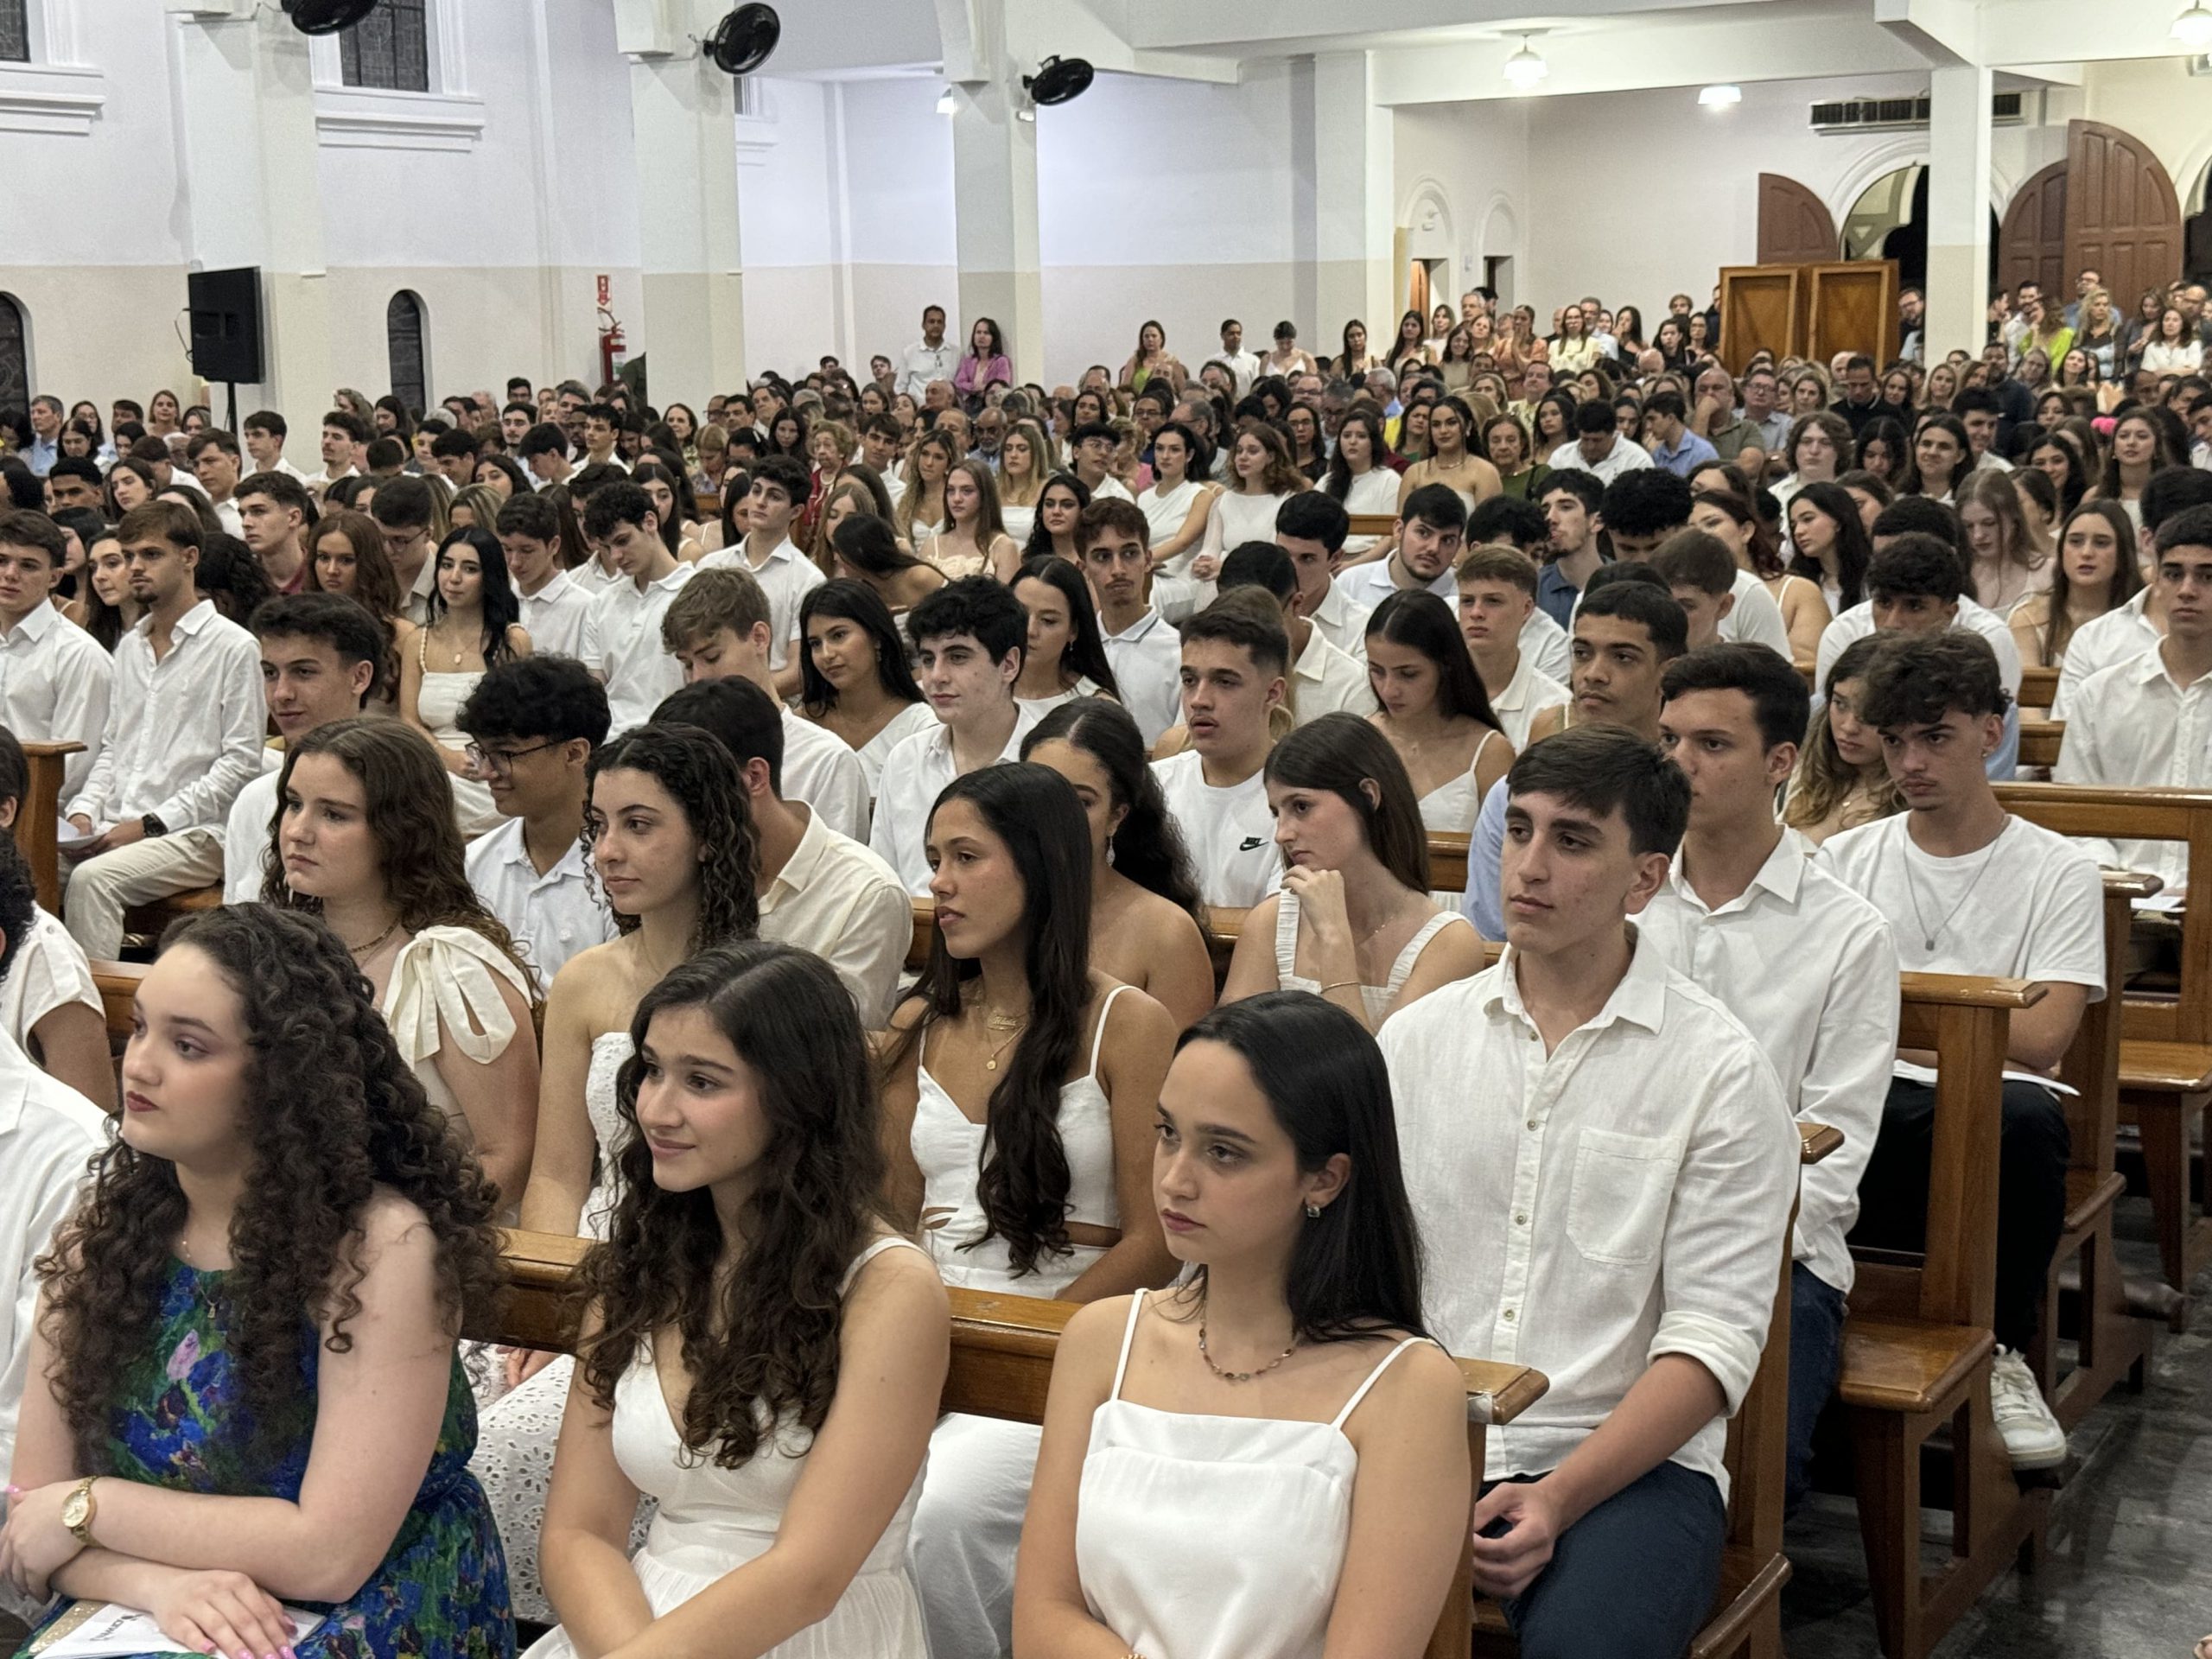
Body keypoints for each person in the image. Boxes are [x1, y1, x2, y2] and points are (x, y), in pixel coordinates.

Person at [1382, 725, 1797, 1656]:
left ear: (1643, 880)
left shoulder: (1718, 1071)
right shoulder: (1415, 1043)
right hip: (1409, 1436)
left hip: (1619, 1467)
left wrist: (1557, 1496)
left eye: (1570, 841)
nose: (1526, 866)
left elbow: (1712, 1342)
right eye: (1518, 830)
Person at [0, 905, 511, 1658]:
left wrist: (90, 1507)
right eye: (139, 1028)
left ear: (282, 1078)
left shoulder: (379, 1246)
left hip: (375, 1608)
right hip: (148, 1602)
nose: (138, 1065)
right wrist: (156, 1584)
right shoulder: (102, 1228)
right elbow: (27, 1523)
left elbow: (333, 1554)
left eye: (187, 1045)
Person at [1013, 990, 1470, 1657]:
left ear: (1325, 1179)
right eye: (1168, 1133)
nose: (1173, 1180)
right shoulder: (1102, 1340)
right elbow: (1041, 1619)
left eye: (1223, 1152)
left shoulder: (1407, 1387)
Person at [524, 942, 946, 1659]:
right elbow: (579, 1532)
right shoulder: (636, 1268)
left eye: (703, 1082)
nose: (656, 1108)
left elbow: (810, 1573)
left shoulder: (889, 1289)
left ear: (796, 1097)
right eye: (652, 1070)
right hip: (635, 1625)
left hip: (809, 1632)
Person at [880, 762, 1178, 1659]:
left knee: (944, 1513)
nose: (939, 881)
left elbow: (1158, 1238)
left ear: (1040, 865)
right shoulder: (915, 1026)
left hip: (1066, 1337)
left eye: (966, 856)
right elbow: (890, 1220)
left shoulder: (1129, 1024)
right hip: (924, 1326)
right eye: (934, 857)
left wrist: (1029, 1336)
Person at [1818, 630, 2101, 1470]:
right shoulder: (1844, 858)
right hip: (1867, 1093)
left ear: (1991, 729)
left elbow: (2046, 1037)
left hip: (1988, 1107)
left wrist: (1888, 1015)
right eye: (1896, 740)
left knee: (2017, 1117)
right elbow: (1810, 1012)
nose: (1910, 761)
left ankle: (2001, 1351)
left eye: (1934, 737)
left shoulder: (2058, 869)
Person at [1640, 645, 1899, 1512]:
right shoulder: (1623, 896)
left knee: (1740, 1482)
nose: (1680, 764)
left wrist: (1710, 1245)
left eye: (1712, 745)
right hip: (1618, 1222)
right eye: (1669, 739)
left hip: (1773, 1255)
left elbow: (1835, 1151)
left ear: (1781, 761)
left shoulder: (1847, 931)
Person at [264, 717, 537, 1204]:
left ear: (399, 830)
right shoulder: (274, 952)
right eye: (294, 804)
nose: (298, 832)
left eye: (335, 815)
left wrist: (390, 1238)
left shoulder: (453, 967)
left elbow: (508, 1161)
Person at [62, 501, 265, 959]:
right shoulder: (130, 647)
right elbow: (115, 747)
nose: (135, 567)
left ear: (189, 558)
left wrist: (150, 824)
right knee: (23, 866)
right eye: (129, 555)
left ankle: (95, 1022)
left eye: (150, 555)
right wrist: (82, 811)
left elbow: (239, 764)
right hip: (117, 821)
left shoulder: (234, 646)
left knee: (93, 881)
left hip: (196, 831)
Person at [655, 677, 909, 1028]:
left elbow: (836, 1047)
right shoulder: (677, 867)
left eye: (691, 794)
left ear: (755, 777)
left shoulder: (865, 893)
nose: (677, 814)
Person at [1219, 712, 1479, 1029]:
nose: (1282, 833)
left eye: (1301, 806)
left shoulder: (1449, 944)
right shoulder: (1271, 922)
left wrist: (1334, 939)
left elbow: (1376, 1074)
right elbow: (1229, 1052)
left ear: (1368, 796)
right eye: (1278, 813)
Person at [1461, 582, 1688, 940]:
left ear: (1668, 672)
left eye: (1622, 657)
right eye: (1582, 653)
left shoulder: (1690, 793)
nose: (1594, 674)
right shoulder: (1512, 796)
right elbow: (1492, 938)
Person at [1021, 699, 1216, 1033]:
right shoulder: (992, 905)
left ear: (1117, 815)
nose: (1054, 819)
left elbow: (1177, 1079)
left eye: (1081, 802)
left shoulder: (1167, 934)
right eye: (1038, 796)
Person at [2054, 505, 2212, 891]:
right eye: (2173, 574)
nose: (2187, 590)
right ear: (2155, 580)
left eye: (2207, 576)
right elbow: (2077, 816)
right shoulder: (2102, 693)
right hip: (2125, 898)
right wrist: (2118, 883)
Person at [662, 567, 868, 841]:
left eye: (711, 657)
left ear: (759, 637)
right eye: (687, 665)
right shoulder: (679, 750)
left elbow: (839, 872)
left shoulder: (826, 761)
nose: (697, 678)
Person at [219, 592, 388, 906]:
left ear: (359, 677)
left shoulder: (399, 791)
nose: (281, 693)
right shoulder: (253, 801)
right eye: (270, 673)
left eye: (304, 672)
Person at [457, 655, 616, 985]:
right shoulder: (475, 863)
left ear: (575, 753)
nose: (487, 771)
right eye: (482, 753)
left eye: (505, 754)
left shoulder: (620, 871)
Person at [870, 576, 1035, 894]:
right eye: (928, 659)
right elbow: (883, 882)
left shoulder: (1045, 759)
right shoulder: (905, 760)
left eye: (957, 657)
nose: (936, 677)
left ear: (1009, 665)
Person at [1815, 532, 2024, 779]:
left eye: (1914, 606)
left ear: (1949, 614)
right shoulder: (1828, 702)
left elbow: (1987, 789)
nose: (1893, 622)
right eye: (1883, 603)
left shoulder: (1984, 705)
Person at [1153, 590, 1291, 908]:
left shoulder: (1301, 802)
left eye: (1224, 682)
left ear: (1272, 693)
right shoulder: (1151, 787)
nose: (1199, 699)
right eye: (1189, 680)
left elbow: (1283, 928)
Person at [402, 525, 531, 836]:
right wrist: (447, 759)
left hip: (491, 769)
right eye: (447, 565)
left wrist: (482, 760)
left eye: (469, 568)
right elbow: (408, 720)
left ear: (489, 577)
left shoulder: (512, 640)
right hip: (432, 763)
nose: (454, 578)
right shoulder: (417, 640)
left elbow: (522, 724)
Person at [1360, 588, 1514, 837]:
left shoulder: (1490, 752)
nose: (1389, 690)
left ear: (1446, 666)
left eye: (1408, 674)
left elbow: (1501, 854)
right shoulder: (1361, 740)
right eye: (1377, 671)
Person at [0, 511, 110, 799]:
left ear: (54, 577)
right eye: (2, 561)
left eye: (28, 565)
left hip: (41, 812)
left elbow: (72, 767)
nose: (10, 574)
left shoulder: (79, 655)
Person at [696, 454, 823, 699]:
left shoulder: (807, 580)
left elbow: (799, 670)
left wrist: (740, 697)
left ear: (796, 510)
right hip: (709, 697)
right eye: (756, 491)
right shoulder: (712, 566)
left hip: (775, 705)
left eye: (774, 496)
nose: (760, 502)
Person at [797, 578, 938, 794]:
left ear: (877, 638)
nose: (826, 654)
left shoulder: (921, 728)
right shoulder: (802, 724)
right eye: (815, 644)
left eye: (838, 635)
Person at [580, 480, 696, 735]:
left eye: (622, 541)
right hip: (611, 742)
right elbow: (595, 690)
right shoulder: (601, 604)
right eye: (607, 547)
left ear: (650, 523)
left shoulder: (696, 593)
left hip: (677, 738)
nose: (615, 556)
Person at [1216, 541, 1369, 726]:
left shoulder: (1352, 685)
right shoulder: (1208, 670)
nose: (1245, 639)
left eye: (1260, 624)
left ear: (1297, 605)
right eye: (1230, 623)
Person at [1080, 500, 1185, 747]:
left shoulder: (1179, 652)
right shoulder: (1073, 649)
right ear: (1083, 568)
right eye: (1102, 556)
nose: (1118, 569)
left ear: (1148, 560)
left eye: (1129, 553)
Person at [1783, 635, 1903, 845]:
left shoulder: (1914, 803)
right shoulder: (1803, 773)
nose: (1848, 727)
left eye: (1868, 713)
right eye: (1840, 704)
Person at [2009, 499, 2142, 686]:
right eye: (2075, 542)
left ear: (2122, 554)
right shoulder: (2028, 618)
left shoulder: (2145, 618)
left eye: (2101, 543)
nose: (2086, 553)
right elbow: (2026, 705)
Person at [1689, 489, 1831, 662]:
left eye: (1712, 523)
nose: (1701, 534)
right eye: (1691, 529)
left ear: (1746, 531)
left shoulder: (1799, 591)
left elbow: (1808, 667)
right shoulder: (1688, 594)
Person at [1456, 544, 1570, 749]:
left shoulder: (1554, 705)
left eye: (1492, 601)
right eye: (1467, 601)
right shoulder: (1433, 692)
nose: (1476, 613)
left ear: (1526, 609)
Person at [1010, 555, 1122, 717]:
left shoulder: (1098, 709)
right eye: (1020, 614)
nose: (1030, 630)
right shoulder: (978, 687)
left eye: (1048, 621)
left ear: (1073, 630)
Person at [1332, 481, 1467, 614]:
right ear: (1399, 530)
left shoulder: (1466, 594)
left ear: (1458, 546)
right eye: (1423, 533)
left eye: (1447, 540)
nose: (1434, 548)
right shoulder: (1351, 583)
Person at [495, 489, 593, 660]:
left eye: (527, 550)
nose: (514, 562)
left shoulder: (585, 607)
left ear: (553, 545)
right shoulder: (497, 600)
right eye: (507, 549)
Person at [1199, 421, 1303, 561]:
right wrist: (1203, 563)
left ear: (1271, 457)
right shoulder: (1224, 501)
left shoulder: (1289, 501)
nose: (1243, 457)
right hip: (1221, 579)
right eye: (1239, 451)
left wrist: (1224, 565)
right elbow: (1209, 549)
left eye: (1252, 451)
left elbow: (1281, 556)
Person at [1957, 467, 2052, 613]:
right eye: (1968, 526)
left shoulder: (2048, 573)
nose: (1978, 535)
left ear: (2014, 518)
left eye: (1989, 523)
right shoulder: (1958, 576)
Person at [1135, 421, 1219, 577]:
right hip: (1144, 572)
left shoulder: (1201, 495)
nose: (1165, 456)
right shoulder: (1144, 498)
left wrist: (1137, 562)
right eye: (1159, 449)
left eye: (1174, 450)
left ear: (1189, 455)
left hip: (1180, 578)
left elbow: (1182, 542)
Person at [1785, 479, 1874, 616]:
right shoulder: (1797, 582)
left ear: (1838, 521)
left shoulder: (1873, 578)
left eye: (1808, 519)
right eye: (1793, 525)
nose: (1798, 531)